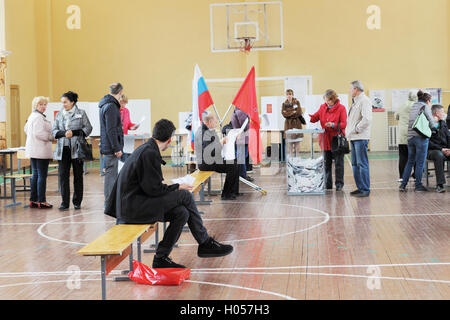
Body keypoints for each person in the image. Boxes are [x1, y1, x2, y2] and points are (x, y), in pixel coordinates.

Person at [105, 119, 233, 268]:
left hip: (134, 204)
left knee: (182, 213)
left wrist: (175, 187)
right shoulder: (149, 153)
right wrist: (177, 187)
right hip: (132, 208)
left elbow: (152, 188)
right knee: (185, 195)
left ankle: (161, 258)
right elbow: (153, 190)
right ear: (169, 139)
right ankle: (204, 242)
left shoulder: (148, 149)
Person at [52, 91, 93, 210]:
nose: (63, 104)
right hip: (62, 149)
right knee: (63, 176)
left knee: (78, 176)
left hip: (77, 149)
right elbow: (54, 131)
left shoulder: (81, 113)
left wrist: (74, 133)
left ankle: (77, 201)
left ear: (72, 102)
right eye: (62, 102)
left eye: (65, 102)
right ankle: (64, 203)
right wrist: (64, 133)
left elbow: (88, 128)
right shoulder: (59, 115)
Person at [195, 113, 240, 200]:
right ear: (209, 122)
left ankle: (233, 191)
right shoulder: (203, 132)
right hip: (206, 163)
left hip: (212, 160)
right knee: (232, 166)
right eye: (215, 122)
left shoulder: (207, 130)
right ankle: (226, 194)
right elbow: (208, 151)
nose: (216, 124)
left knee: (235, 163)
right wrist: (220, 143)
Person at [309, 89, 347, 191]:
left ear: (334, 99)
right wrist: (306, 116)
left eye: (329, 100)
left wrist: (333, 124)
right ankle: (328, 184)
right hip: (325, 140)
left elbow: (344, 124)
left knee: (339, 163)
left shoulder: (341, 108)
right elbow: (314, 118)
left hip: (336, 140)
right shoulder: (322, 107)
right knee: (326, 163)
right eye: (325, 100)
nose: (327, 102)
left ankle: (339, 184)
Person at [399, 90, 436, 192]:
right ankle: (418, 185)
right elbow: (431, 122)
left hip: (410, 138)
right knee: (420, 163)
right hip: (420, 138)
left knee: (410, 162)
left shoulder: (413, 107)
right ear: (427, 100)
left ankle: (403, 185)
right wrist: (435, 129)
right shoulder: (425, 107)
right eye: (430, 101)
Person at [24, 96, 54, 209]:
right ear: (35, 105)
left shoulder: (32, 116)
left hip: (34, 149)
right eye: (41, 104)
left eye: (45, 104)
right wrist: (51, 137)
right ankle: (41, 200)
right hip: (40, 150)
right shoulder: (39, 118)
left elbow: (26, 129)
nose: (43, 106)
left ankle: (33, 200)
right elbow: (39, 133)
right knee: (41, 175)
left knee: (36, 174)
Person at [99, 83, 124, 205]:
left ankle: (110, 202)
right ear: (120, 92)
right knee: (111, 176)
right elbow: (111, 129)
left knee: (111, 175)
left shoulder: (106, 104)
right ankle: (109, 203)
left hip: (108, 146)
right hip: (111, 148)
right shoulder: (111, 107)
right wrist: (117, 147)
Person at [347, 80, 372, 197]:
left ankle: (365, 189)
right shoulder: (355, 102)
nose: (350, 91)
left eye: (351, 89)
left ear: (356, 89)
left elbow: (366, 119)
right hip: (353, 137)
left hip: (360, 137)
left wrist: (356, 129)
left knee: (362, 164)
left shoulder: (364, 101)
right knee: (355, 164)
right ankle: (360, 187)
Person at [395, 90, 418, 181]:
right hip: (414, 134)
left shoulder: (402, 105)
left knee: (403, 156)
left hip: (403, 134)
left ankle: (402, 177)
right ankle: (416, 175)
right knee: (416, 155)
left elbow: (396, 116)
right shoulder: (417, 106)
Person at [426, 104, 450, 193]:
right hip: (432, 151)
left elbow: (448, 137)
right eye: (442, 112)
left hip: (445, 150)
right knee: (439, 155)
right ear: (436, 113)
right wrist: (441, 149)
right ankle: (440, 185)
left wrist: (449, 149)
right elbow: (428, 142)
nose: (444, 114)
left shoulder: (443, 123)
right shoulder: (428, 124)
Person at [230, 107, 253, 182]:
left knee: (240, 157)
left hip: (239, 137)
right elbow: (245, 126)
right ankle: (242, 175)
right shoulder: (241, 112)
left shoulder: (235, 111)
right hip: (242, 137)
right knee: (241, 157)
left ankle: (240, 174)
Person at [282, 89, 305, 156]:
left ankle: (297, 157)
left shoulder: (297, 102)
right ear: (286, 95)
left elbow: (299, 112)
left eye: (290, 94)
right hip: (288, 125)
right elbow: (284, 114)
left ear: (292, 95)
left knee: (297, 142)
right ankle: (291, 157)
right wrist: (293, 112)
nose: (289, 96)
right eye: (287, 94)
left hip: (296, 124)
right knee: (290, 143)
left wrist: (289, 113)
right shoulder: (284, 104)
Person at [119, 94, 139, 162]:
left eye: (125, 103)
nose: (123, 104)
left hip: (125, 139)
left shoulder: (126, 111)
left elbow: (128, 124)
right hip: (117, 139)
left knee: (126, 159)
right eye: (122, 102)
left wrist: (134, 126)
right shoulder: (114, 111)